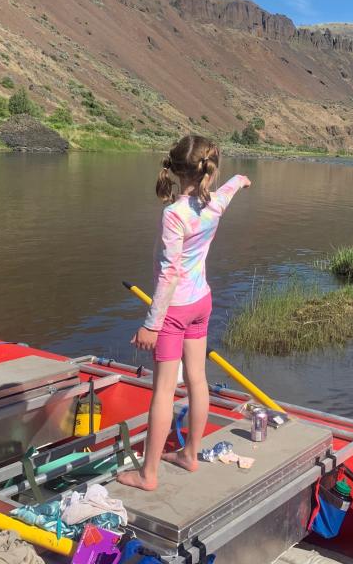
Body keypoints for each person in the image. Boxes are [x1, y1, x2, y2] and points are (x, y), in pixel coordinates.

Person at [116, 134, 250, 491]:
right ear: (210, 170)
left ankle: (148, 475)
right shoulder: (216, 204)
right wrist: (239, 180)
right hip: (202, 303)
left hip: (175, 311)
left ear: (175, 171)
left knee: (162, 391)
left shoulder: (174, 215)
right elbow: (228, 191)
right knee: (197, 380)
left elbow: (169, 273)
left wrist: (151, 324)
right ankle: (190, 454)